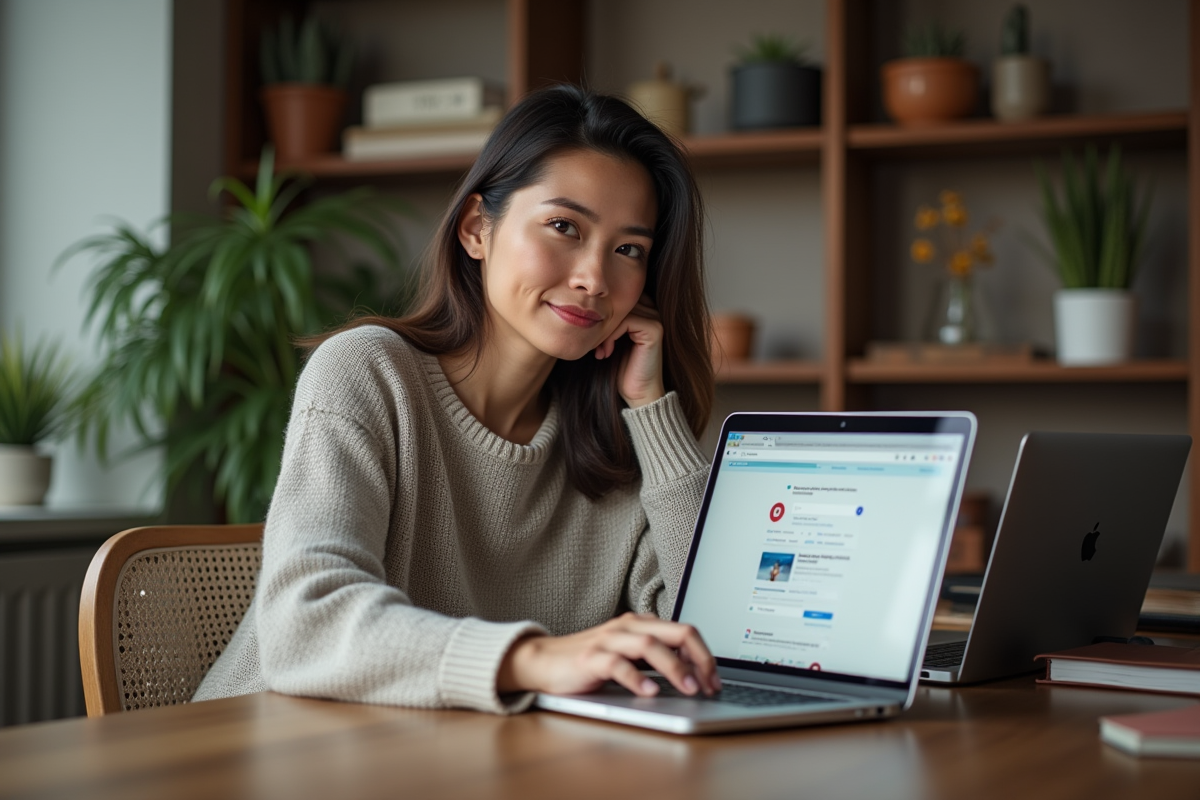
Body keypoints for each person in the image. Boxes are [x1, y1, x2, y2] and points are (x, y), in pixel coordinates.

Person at [193, 84, 722, 714]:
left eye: (628, 249)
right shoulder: (367, 375)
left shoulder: (617, 437)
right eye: (563, 227)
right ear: (477, 228)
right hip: (273, 752)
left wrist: (651, 411)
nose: (593, 278)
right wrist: (533, 658)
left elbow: (717, 636)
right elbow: (306, 622)